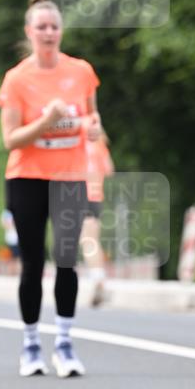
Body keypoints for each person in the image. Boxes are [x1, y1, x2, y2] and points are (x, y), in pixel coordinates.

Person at [0, 0, 102, 378]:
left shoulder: (81, 71)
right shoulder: (17, 78)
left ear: (61, 31)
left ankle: (64, 343)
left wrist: (93, 127)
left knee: (66, 261)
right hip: (27, 178)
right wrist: (46, 121)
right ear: (29, 31)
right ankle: (30, 345)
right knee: (32, 263)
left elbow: (92, 117)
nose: (48, 33)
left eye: (54, 26)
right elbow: (10, 139)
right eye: (41, 27)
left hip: (70, 177)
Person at [82, 131, 115, 306]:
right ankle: (99, 278)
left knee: (87, 241)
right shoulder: (99, 144)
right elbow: (109, 169)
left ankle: (98, 280)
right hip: (96, 196)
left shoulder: (78, 143)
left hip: (79, 193)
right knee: (93, 240)